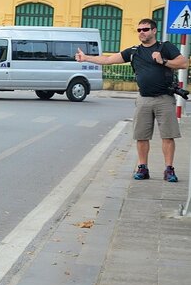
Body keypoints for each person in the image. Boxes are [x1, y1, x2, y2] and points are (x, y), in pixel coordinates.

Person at [75, 18, 188, 182]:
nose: (142, 32)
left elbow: (183, 63)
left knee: (168, 136)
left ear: (154, 30)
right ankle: (143, 168)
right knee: (141, 136)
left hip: (164, 98)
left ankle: (169, 169)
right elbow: (108, 60)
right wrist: (86, 58)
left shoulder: (165, 47)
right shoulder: (134, 51)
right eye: (139, 30)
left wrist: (163, 61)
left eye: (146, 29)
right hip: (143, 99)